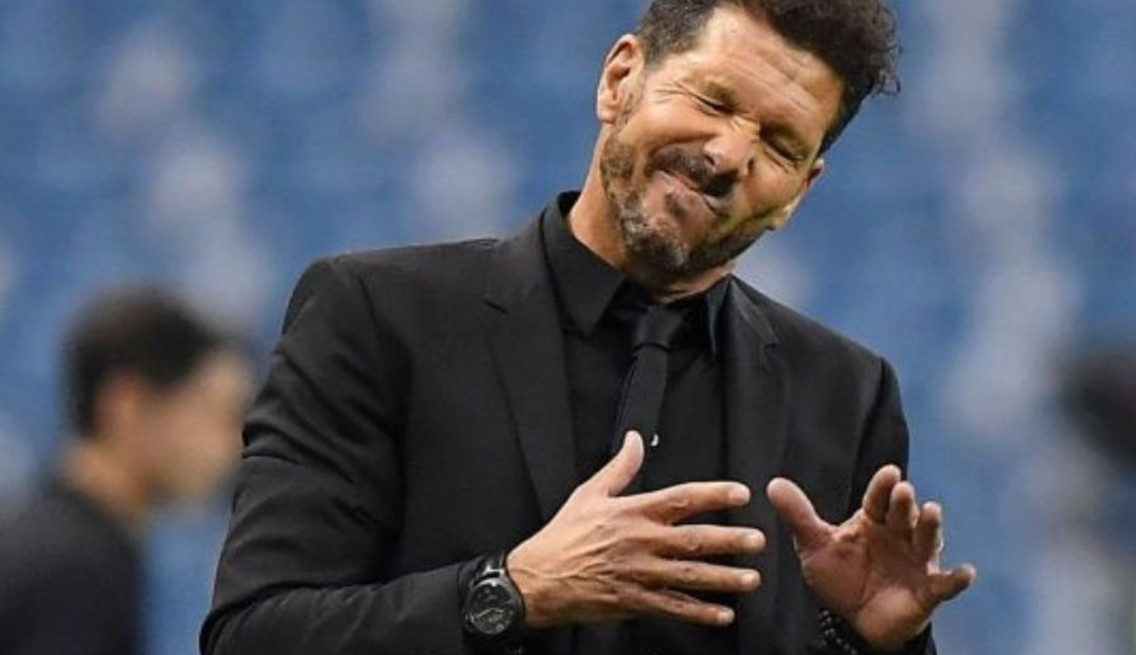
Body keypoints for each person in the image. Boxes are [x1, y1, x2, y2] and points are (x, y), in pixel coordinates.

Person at [202, 1, 976, 654]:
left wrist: (871, 642)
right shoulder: (378, 315)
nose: (729, 154)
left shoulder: (845, 392)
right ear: (619, 79)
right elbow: (255, 633)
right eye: (713, 101)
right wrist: (512, 589)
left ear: (801, 189)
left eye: (779, 144)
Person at [0, 289, 253, 655]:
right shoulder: (75, 570)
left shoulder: (54, 543)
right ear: (128, 407)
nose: (236, 447)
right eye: (220, 416)